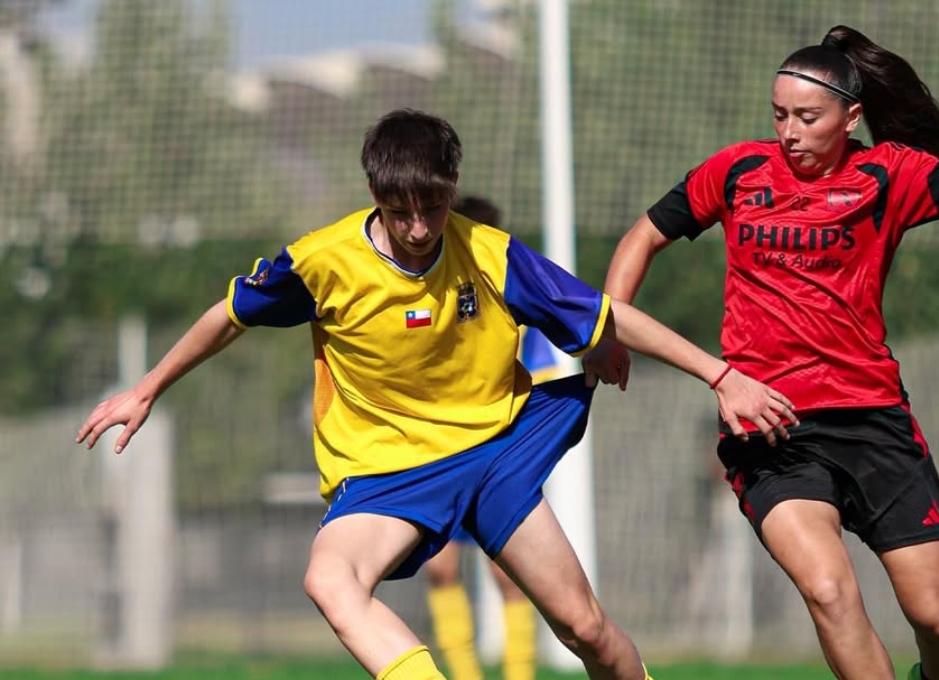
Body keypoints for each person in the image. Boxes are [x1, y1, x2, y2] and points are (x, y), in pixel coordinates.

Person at [75, 108, 798, 680]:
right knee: (330, 579)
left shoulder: (488, 252)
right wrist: (148, 388)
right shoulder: (321, 263)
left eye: (433, 207)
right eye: (401, 212)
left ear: (453, 186)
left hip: (495, 454)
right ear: (375, 196)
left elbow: (606, 315)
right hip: (392, 473)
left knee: (585, 630)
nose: (420, 229)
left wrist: (720, 374)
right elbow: (226, 317)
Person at [582, 26, 939, 680]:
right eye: (779, 115)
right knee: (830, 592)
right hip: (771, 426)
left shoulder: (888, 174)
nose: (790, 131)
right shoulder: (735, 171)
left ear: (850, 116)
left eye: (808, 117)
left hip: (873, 420)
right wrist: (607, 333)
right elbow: (642, 237)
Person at [421, 194, 554, 680]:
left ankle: (520, 674)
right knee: (440, 569)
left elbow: (540, 371)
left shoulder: (510, 296)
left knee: (511, 575)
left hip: (499, 455)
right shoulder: (428, 298)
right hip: (439, 454)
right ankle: (465, 674)